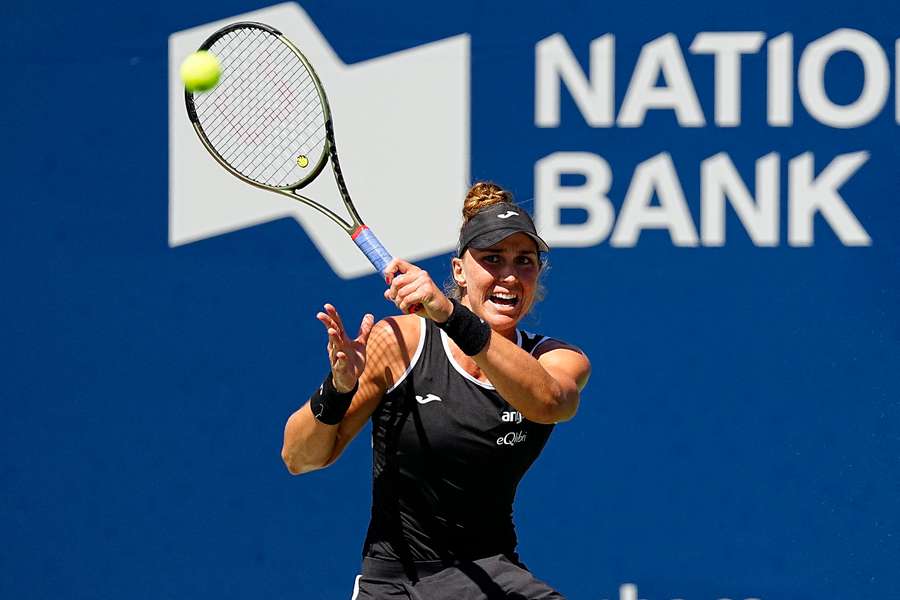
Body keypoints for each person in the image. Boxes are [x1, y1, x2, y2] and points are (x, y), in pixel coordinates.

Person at [281, 182, 591, 599]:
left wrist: (450, 314)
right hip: (394, 585)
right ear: (459, 271)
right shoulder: (399, 343)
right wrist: (337, 389)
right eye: (492, 259)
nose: (510, 276)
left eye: (525, 261)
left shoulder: (556, 358)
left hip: (489, 573)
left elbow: (551, 401)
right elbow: (300, 458)